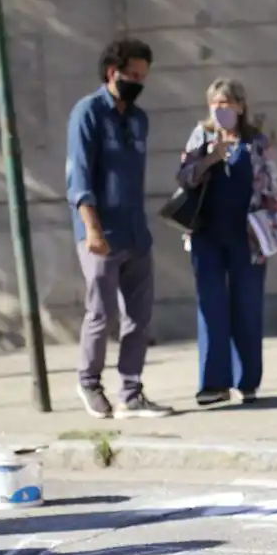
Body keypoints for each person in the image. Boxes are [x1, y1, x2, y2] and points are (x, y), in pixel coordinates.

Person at [66, 38, 172, 419]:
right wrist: (92, 230)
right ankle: (89, 383)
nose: (139, 82)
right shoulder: (88, 113)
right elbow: (78, 178)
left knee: (139, 317)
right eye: (133, 75)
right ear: (113, 72)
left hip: (135, 233)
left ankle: (132, 391)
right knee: (100, 312)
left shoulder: (139, 119)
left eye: (144, 76)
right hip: (101, 234)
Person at [176, 77, 277, 406]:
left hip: (250, 237)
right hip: (206, 235)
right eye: (214, 103)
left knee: (246, 307)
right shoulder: (201, 136)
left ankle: (247, 382)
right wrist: (210, 158)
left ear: (240, 107)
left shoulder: (255, 142)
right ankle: (213, 383)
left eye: (226, 103)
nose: (220, 109)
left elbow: (273, 187)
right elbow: (184, 176)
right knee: (211, 307)